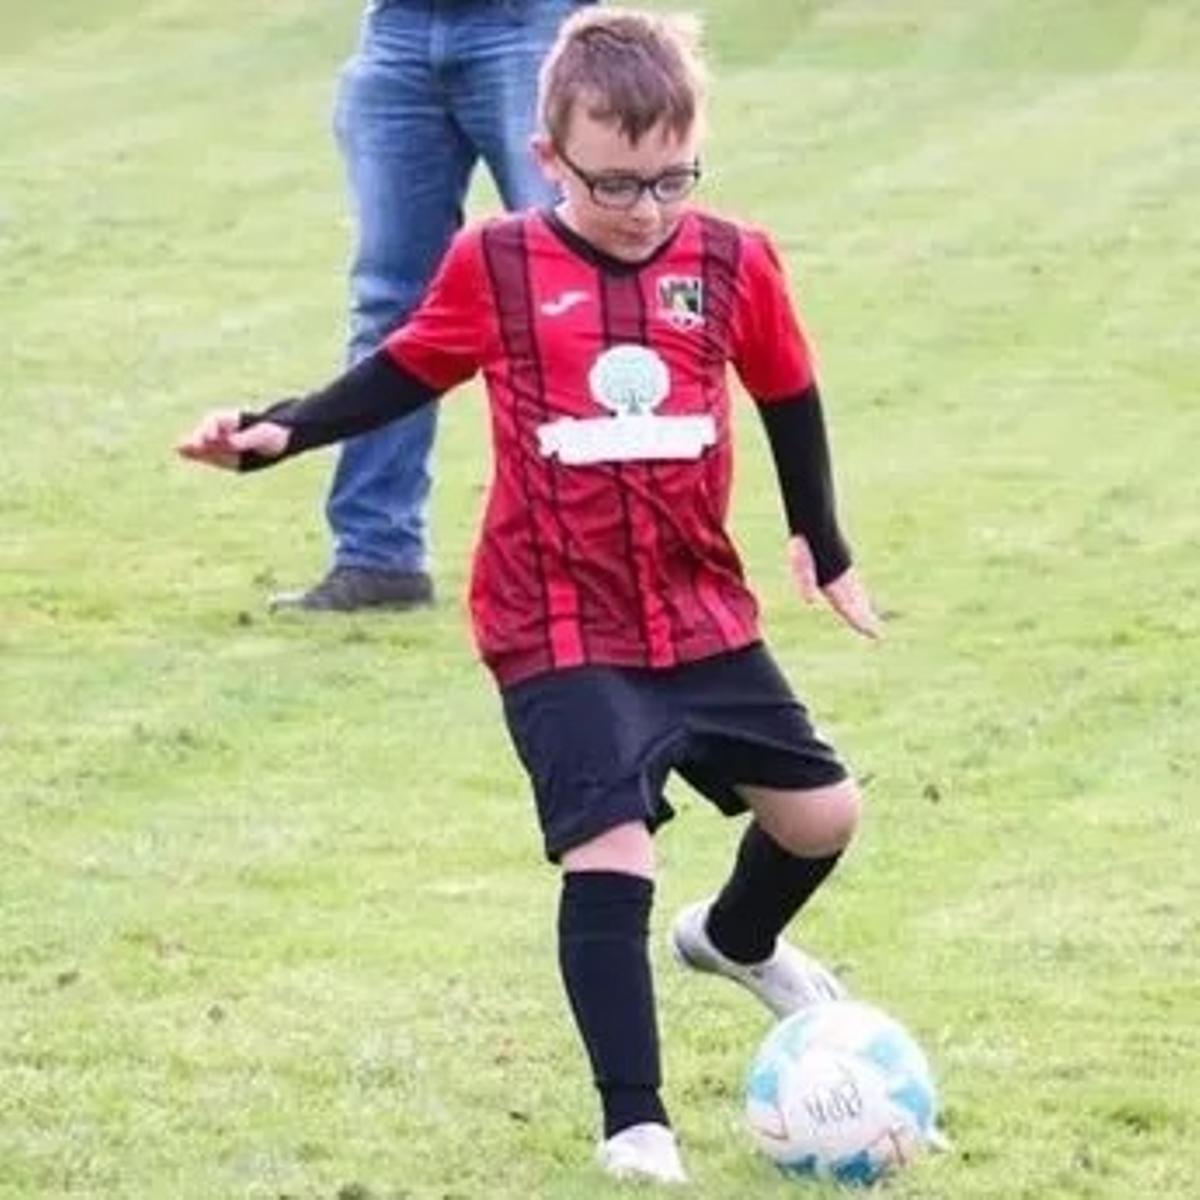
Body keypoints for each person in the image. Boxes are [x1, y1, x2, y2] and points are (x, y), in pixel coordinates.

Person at [177, 7, 881, 1183]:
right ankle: (635, 1123)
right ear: (549, 156)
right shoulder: (497, 263)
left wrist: (824, 538)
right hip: (554, 617)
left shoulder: (733, 259)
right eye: (616, 184)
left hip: (695, 604)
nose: (647, 208)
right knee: (612, 851)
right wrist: (277, 432)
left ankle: (733, 939)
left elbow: (789, 390)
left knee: (824, 819)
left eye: (672, 179)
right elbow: (399, 369)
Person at [274, 0, 596, 612]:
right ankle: (377, 556)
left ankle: (596, 554)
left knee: (568, 293)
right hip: (398, 28)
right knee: (388, 304)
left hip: (530, 26)